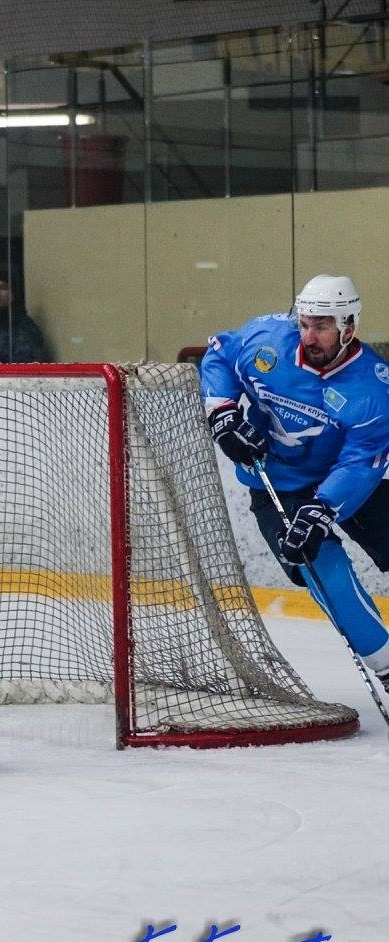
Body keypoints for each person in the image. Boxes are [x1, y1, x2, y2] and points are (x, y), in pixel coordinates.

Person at [201, 274, 389, 688]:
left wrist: (322, 509)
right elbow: (219, 354)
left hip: (344, 482)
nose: (309, 336)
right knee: (324, 570)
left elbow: (360, 464)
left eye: (321, 326)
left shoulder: (373, 388)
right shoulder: (267, 340)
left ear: (348, 327)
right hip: (276, 485)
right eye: (304, 323)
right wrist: (223, 413)